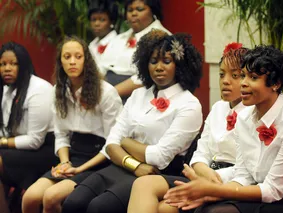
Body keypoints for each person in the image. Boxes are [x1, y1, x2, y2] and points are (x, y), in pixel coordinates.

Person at [163, 45, 283, 213]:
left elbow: (273, 190)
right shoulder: (245, 118)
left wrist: (212, 190)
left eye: (253, 77)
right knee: (203, 207)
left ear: (276, 83)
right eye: (243, 75)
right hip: (260, 189)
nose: (243, 83)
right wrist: (210, 194)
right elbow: (244, 174)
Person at [62, 30, 203, 213]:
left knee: (99, 208)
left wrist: (125, 142)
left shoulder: (189, 104)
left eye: (166, 61)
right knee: (73, 203)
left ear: (180, 65)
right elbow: (111, 143)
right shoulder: (138, 94)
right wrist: (134, 164)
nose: (158, 67)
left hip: (156, 175)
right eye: (153, 61)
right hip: (123, 167)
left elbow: (159, 158)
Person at [127, 42, 249, 213]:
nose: (225, 81)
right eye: (221, 75)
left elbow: (250, 167)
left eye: (235, 76)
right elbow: (200, 152)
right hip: (203, 174)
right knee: (143, 183)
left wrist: (211, 179)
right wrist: (202, 170)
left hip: (233, 182)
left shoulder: (254, 114)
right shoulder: (218, 108)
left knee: (166, 208)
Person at [21, 36, 122, 213]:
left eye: (78, 56)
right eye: (67, 57)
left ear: (87, 60)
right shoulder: (58, 90)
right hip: (72, 155)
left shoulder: (106, 92)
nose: (72, 62)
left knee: (51, 197)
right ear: (61, 62)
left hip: (99, 159)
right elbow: (61, 134)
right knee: (30, 197)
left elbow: (113, 142)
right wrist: (65, 162)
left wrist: (80, 168)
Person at [0, 42, 56, 213]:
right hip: (20, 147)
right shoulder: (8, 90)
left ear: (23, 64)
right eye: (2, 64)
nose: (7, 69)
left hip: (46, 149)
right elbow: (5, 128)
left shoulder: (39, 89)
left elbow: (35, 141)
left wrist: (2, 142)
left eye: (13, 63)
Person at [100, 0, 171, 103]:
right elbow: (101, 67)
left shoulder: (161, 37)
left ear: (153, 11)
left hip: (137, 96)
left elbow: (145, 77)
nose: (133, 13)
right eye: (130, 10)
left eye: (139, 9)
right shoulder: (119, 38)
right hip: (106, 92)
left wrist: (111, 93)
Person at [88, 0, 118, 75]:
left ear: (112, 22)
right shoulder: (92, 44)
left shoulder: (118, 43)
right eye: (93, 20)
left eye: (102, 20)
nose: (96, 24)